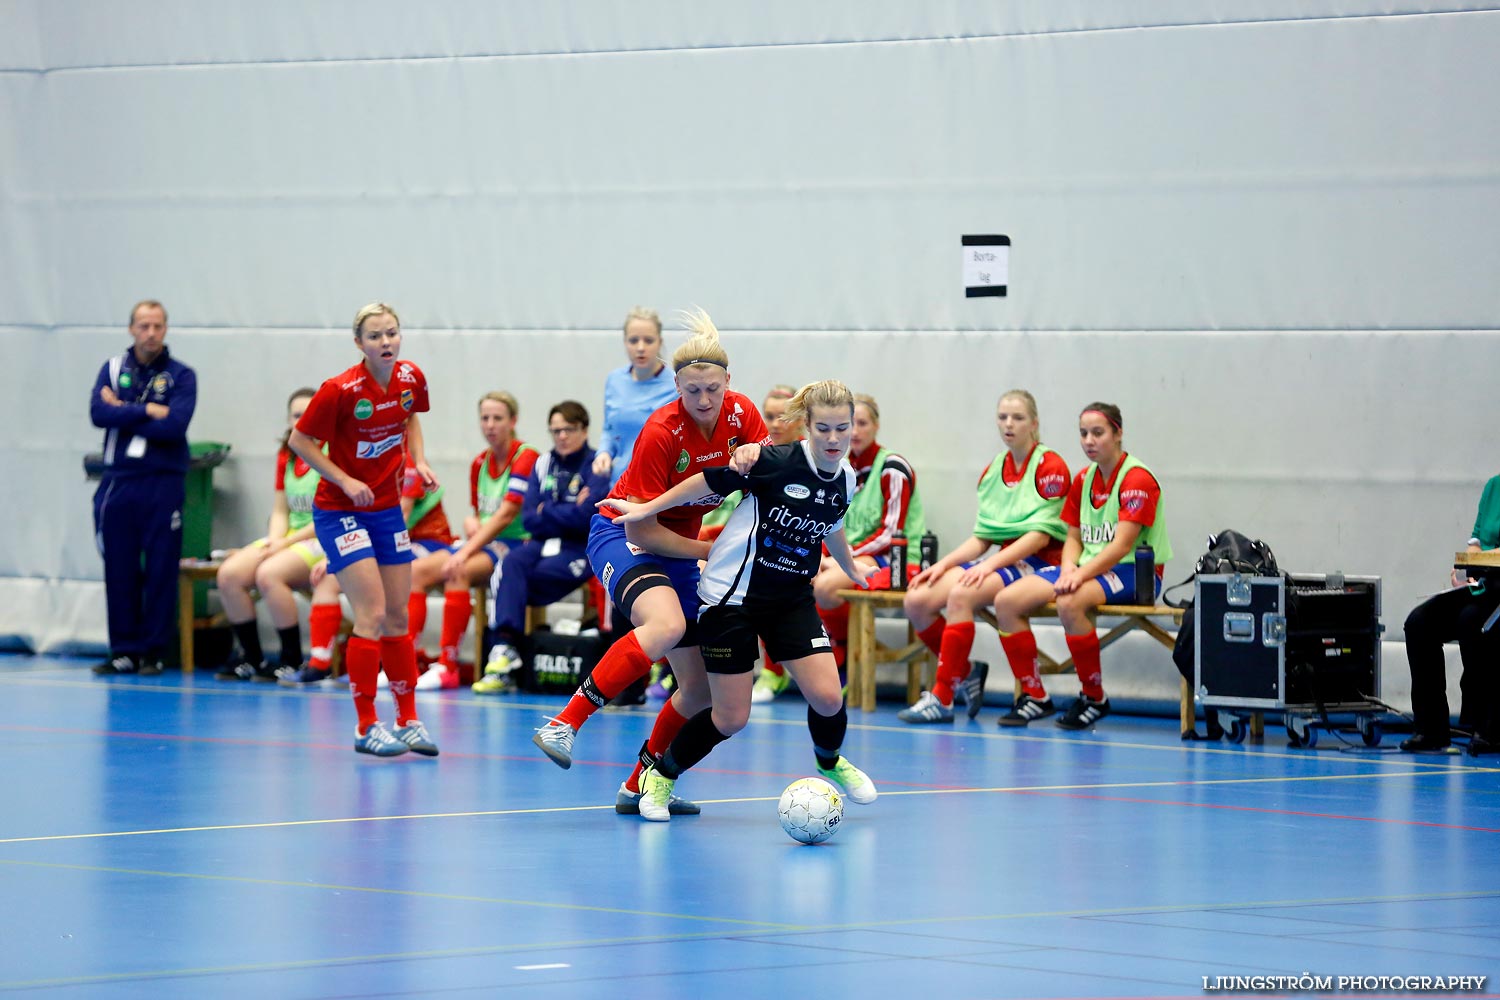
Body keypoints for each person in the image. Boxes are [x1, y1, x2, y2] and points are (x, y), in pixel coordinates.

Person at [598, 380, 878, 821]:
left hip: (789, 598)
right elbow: (702, 483)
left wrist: (851, 566)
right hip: (732, 597)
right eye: (822, 428)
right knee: (730, 717)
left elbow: (832, 525)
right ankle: (662, 776)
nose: (833, 438)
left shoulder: (846, 477)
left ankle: (829, 761)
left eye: (842, 429)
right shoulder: (773, 462)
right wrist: (645, 510)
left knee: (828, 697)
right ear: (806, 427)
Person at [531, 309, 769, 819]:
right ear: (676, 387)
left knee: (700, 690)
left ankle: (641, 781)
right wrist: (713, 552)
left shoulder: (744, 416)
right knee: (667, 624)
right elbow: (641, 528)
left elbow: (766, 482)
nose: (704, 401)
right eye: (691, 391)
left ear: (728, 382)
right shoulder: (662, 430)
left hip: (677, 543)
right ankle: (564, 724)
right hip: (624, 535)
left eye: (713, 389)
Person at [287, 302, 439, 757]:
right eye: (375, 336)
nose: (386, 342)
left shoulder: (410, 378)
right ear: (360, 344)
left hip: (386, 508)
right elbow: (300, 441)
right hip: (340, 511)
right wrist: (344, 479)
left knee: (398, 615)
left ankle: (408, 718)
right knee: (370, 613)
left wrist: (419, 460)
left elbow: (410, 418)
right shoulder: (340, 390)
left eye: (392, 333)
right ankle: (365, 725)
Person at [990, 402, 1172, 729]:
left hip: (1135, 571)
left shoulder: (1137, 479)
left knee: (1069, 601)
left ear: (1118, 434)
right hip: (1088, 568)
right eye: (1083, 434)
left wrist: (1077, 576)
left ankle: (1094, 697)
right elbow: (1073, 536)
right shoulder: (1084, 478)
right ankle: (1034, 696)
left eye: (1097, 433)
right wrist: (1070, 567)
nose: (1089, 440)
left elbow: (1121, 546)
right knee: (1006, 601)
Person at [897, 390, 1071, 724]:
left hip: (1044, 561)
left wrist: (990, 565)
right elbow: (983, 538)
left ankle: (943, 698)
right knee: (917, 599)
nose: (1009, 424)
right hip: (1009, 559)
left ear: (1034, 423)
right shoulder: (995, 470)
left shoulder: (1050, 466)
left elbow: (1040, 537)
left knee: (962, 594)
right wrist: (944, 564)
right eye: (1003, 417)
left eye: (1018, 418)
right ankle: (966, 673)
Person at [90, 300, 198, 676]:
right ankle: (124, 650)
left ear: (165, 329)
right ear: (131, 329)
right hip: (120, 482)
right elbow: (98, 414)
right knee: (119, 567)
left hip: (163, 483)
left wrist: (123, 410)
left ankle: (154, 651)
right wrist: (148, 410)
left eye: (157, 326)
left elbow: (176, 425)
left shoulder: (182, 376)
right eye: (143, 326)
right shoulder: (114, 368)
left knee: (160, 568)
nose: (150, 333)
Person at [418, 392, 541, 692]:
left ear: (513, 421)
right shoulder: (478, 463)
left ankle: (448, 664)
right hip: (485, 542)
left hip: (517, 544)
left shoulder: (526, 457)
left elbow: (505, 514)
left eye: (497, 418)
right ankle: (409, 661)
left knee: (457, 569)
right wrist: (472, 524)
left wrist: (467, 549)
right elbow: (483, 514)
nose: (490, 425)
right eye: (484, 418)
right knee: (416, 572)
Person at [481, 400, 612, 680]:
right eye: (555, 431)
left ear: (584, 430)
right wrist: (564, 510)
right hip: (541, 542)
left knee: (521, 582)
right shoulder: (543, 463)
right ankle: (504, 648)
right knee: (509, 565)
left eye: (568, 429)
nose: (561, 436)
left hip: (580, 547)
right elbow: (528, 517)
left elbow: (585, 516)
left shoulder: (596, 464)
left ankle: (511, 647)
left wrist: (548, 509)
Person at [214, 387, 326, 682]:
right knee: (229, 574)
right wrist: (275, 540)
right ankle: (252, 657)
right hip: (289, 537)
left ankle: (290, 658)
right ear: (289, 420)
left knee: (268, 574)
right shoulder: (287, 454)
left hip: (323, 537)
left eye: (309, 413)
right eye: (296, 415)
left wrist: (285, 544)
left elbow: (330, 514)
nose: (303, 420)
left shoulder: (332, 451)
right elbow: (280, 509)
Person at [809, 393, 925, 674]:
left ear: (876, 426)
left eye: (863, 423)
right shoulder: (840, 470)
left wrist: (840, 560)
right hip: (855, 557)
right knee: (797, 577)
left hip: (896, 560)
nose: (856, 431)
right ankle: (837, 654)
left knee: (826, 587)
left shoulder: (893, 468)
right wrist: (822, 557)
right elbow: (828, 526)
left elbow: (891, 534)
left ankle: (845, 658)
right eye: (851, 424)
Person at [1399, 475, 1500, 755]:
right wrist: (1468, 566)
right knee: (1419, 623)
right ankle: (1430, 729)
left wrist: (1482, 561)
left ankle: (1488, 728)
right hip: (1484, 584)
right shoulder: (1494, 486)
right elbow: (1475, 543)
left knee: (1472, 621)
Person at [749, 383, 809, 703]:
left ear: (800, 420)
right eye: (769, 416)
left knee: (766, 580)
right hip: (765, 547)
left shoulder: (811, 460)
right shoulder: (757, 456)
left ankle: (775, 671)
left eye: (783, 417)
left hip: (803, 552)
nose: (774, 424)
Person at [593, 308, 678, 489]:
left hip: (662, 488)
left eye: (648, 340)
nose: (641, 348)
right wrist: (604, 453)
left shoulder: (677, 384)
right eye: (633, 340)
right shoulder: (614, 380)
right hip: (620, 484)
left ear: (660, 342)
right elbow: (609, 429)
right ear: (625, 343)